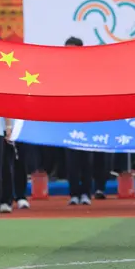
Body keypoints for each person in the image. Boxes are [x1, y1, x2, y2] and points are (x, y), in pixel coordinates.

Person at [61, 36, 93, 206]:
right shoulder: (61, 72)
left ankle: (86, 193)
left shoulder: (88, 71)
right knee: (71, 160)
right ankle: (73, 193)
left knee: (86, 160)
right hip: (69, 120)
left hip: (86, 120)